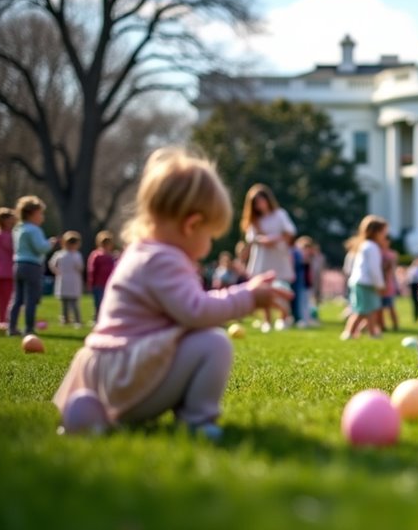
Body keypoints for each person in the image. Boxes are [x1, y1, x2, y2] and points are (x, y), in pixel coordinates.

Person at [51, 148, 289, 439]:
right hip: (126, 373)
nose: (209, 245)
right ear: (192, 226)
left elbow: (186, 311)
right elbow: (197, 311)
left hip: (105, 371)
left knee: (193, 337)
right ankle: (197, 421)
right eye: (210, 235)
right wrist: (248, 298)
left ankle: (92, 417)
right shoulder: (164, 260)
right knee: (214, 343)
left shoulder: (141, 252)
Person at [241, 184, 296, 333]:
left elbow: (289, 233)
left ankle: (283, 317)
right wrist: (261, 240)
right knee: (264, 287)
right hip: (262, 258)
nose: (260, 205)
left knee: (281, 287)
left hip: (278, 256)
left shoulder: (280, 214)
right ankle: (267, 320)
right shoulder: (255, 221)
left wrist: (274, 239)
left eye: (261, 201)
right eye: (256, 203)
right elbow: (251, 239)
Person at [8, 196, 57, 337]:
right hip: (32, 266)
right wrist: (50, 243)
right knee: (31, 298)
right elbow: (40, 248)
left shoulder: (18, 228)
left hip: (18, 265)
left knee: (17, 298)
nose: (42, 217)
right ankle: (29, 328)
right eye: (40, 213)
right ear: (31, 214)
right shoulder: (34, 229)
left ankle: (12, 328)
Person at [340, 215, 387, 340]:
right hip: (366, 283)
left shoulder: (365, 245)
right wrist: (380, 285)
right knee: (362, 310)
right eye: (383, 232)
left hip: (360, 281)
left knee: (369, 309)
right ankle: (348, 333)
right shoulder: (372, 247)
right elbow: (374, 269)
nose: (385, 236)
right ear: (376, 232)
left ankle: (372, 332)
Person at [49, 231, 85, 328]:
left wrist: (56, 271)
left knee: (72, 302)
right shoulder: (66, 255)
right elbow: (80, 267)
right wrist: (57, 271)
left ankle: (75, 320)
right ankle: (67, 319)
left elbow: (51, 264)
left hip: (70, 280)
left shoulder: (65, 254)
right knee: (67, 302)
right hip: (67, 280)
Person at [87, 231, 118, 323]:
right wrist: (91, 283)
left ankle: (106, 318)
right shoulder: (96, 255)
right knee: (98, 302)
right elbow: (92, 270)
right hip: (98, 283)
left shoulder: (112, 256)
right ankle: (97, 318)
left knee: (108, 302)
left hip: (109, 283)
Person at [378, 235, 400, 332]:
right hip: (380, 283)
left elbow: (391, 269)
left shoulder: (391, 254)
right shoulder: (378, 252)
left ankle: (395, 325)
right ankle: (382, 326)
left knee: (390, 306)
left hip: (388, 283)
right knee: (380, 307)